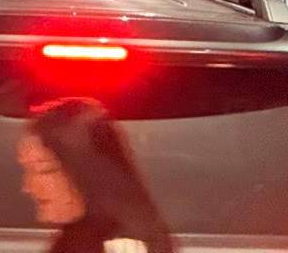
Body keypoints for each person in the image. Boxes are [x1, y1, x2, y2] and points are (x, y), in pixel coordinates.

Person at [18, 98, 173, 253]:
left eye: (45, 170)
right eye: (27, 170)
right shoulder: (78, 238)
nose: (28, 187)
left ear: (90, 172)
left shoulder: (123, 246)